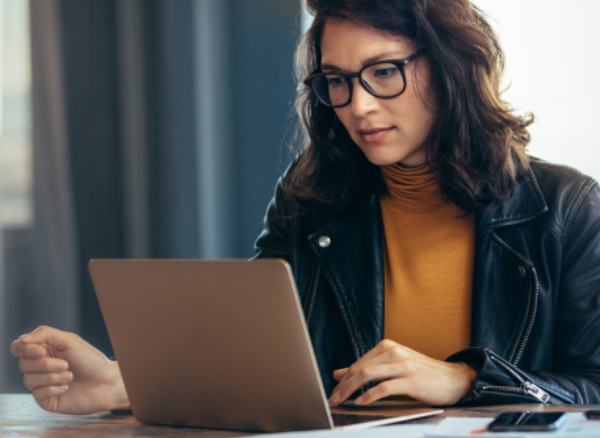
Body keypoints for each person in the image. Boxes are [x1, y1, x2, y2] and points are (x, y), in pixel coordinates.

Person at [11, 0, 600, 415]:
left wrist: (467, 379)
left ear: (451, 67)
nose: (358, 105)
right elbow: (256, 362)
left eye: (384, 72)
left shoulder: (566, 208)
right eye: (337, 81)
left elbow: (592, 387)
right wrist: (121, 383)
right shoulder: (311, 198)